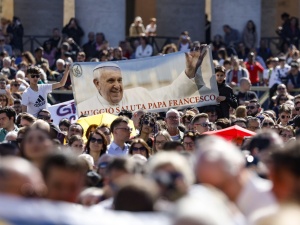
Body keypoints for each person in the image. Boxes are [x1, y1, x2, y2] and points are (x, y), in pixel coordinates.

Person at [77, 45, 208, 113]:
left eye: (119, 80)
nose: (117, 86)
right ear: (97, 83)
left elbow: (170, 95)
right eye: (110, 81)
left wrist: (189, 73)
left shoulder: (137, 94)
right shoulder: (85, 108)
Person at [195, 136, 277, 221]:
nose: (216, 193)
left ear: (240, 170)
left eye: (221, 186)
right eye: (207, 188)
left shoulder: (272, 199)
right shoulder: (202, 204)